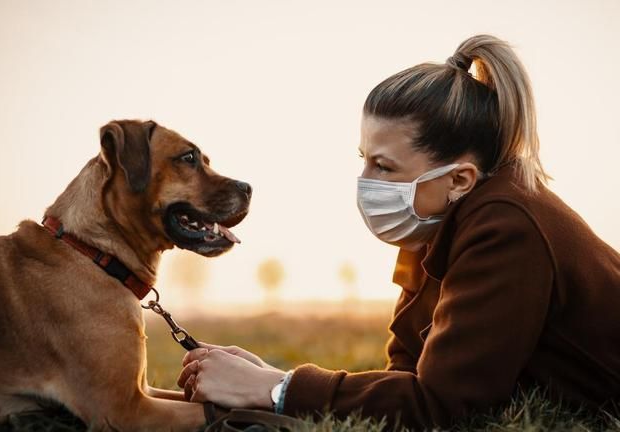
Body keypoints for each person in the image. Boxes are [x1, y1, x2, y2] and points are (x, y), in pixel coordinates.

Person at [177, 34, 620, 430]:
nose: (365, 181)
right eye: (364, 159)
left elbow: (438, 405)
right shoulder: (432, 226)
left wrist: (277, 388)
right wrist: (266, 379)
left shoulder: (506, 226)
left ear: (459, 179)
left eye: (384, 166)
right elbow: (408, 370)